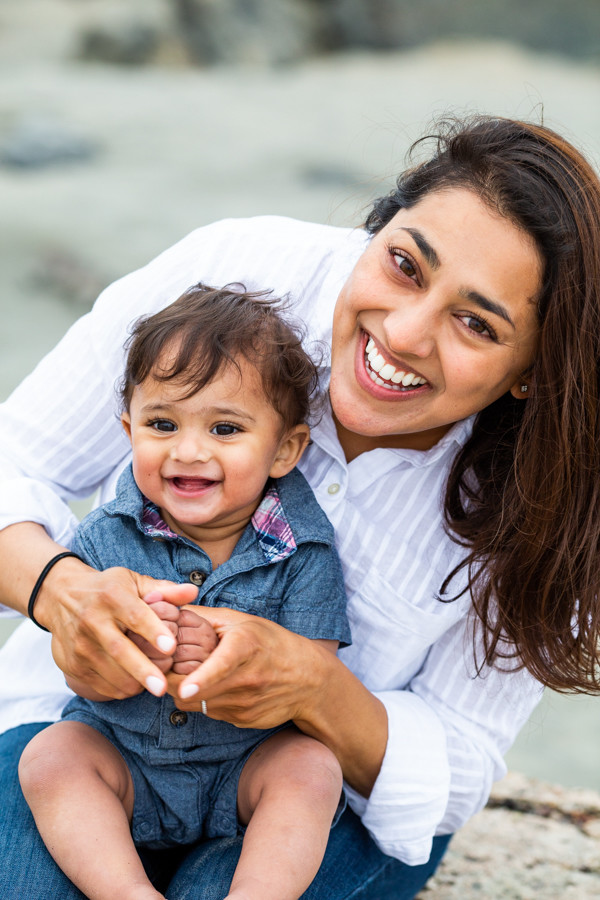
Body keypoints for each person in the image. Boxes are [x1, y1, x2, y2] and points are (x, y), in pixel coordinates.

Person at [1, 114, 600, 899]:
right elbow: (19, 462)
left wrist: (315, 691)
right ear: (377, 229)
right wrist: (65, 594)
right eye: (405, 265)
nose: (407, 332)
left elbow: (457, 767)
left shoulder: (555, 493)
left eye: (475, 323)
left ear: (530, 371)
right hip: (90, 733)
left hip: (316, 792)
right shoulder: (232, 273)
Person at [18, 284, 351, 900]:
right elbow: (84, 677)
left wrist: (237, 660)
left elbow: (312, 678)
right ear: (128, 429)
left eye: (225, 428)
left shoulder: (305, 550)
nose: (188, 450)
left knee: (310, 769)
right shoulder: (103, 538)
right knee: (52, 754)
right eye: (162, 424)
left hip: (243, 764)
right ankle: (126, 890)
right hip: (125, 755)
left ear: (285, 449)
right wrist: (125, 655)